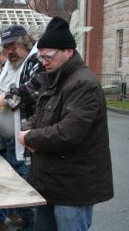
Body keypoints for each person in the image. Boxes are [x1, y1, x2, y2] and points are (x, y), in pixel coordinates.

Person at [18, 16, 114, 231]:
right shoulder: (54, 78)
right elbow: (39, 116)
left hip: (73, 187)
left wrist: (30, 137)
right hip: (50, 181)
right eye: (41, 57)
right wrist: (30, 130)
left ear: (68, 52)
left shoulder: (83, 84)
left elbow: (69, 132)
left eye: (49, 56)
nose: (44, 61)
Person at [0, 25, 45, 231]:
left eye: (12, 45)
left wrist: (6, 97)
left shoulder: (35, 59)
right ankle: (0, 222)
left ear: (25, 42)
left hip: (24, 142)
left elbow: (37, 87)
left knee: (26, 195)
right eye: (6, 46)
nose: (8, 51)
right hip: (5, 142)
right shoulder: (11, 64)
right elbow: (1, 91)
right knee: (5, 188)